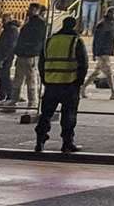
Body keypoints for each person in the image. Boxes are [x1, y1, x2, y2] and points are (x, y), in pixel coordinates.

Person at [35, 15, 88, 154]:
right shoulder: (76, 41)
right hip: (69, 83)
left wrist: (45, 78)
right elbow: (83, 63)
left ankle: (39, 141)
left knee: (46, 114)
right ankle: (67, 143)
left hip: (51, 83)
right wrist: (79, 81)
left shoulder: (50, 41)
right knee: (69, 115)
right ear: (74, 26)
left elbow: (41, 62)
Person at [8, 2, 47, 111]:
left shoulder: (39, 24)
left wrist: (32, 50)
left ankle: (32, 101)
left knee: (31, 79)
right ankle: (14, 100)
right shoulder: (29, 22)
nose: (28, 11)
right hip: (22, 53)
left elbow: (38, 40)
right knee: (18, 78)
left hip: (31, 54)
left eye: (31, 9)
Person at [84, 8, 114, 100]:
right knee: (109, 72)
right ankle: (113, 92)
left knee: (96, 72)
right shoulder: (102, 24)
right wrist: (95, 52)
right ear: (109, 13)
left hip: (107, 51)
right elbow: (97, 40)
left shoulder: (112, 24)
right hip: (102, 52)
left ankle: (83, 88)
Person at [0, 13, 20, 105]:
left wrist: (3, 58)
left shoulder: (12, 29)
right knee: (1, 77)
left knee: (4, 76)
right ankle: (2, 95)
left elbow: (10, 46)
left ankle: (9, 95)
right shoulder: (7, 29)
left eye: (5, 19)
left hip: (5, 57)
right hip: (1, 56)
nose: (2, 21)